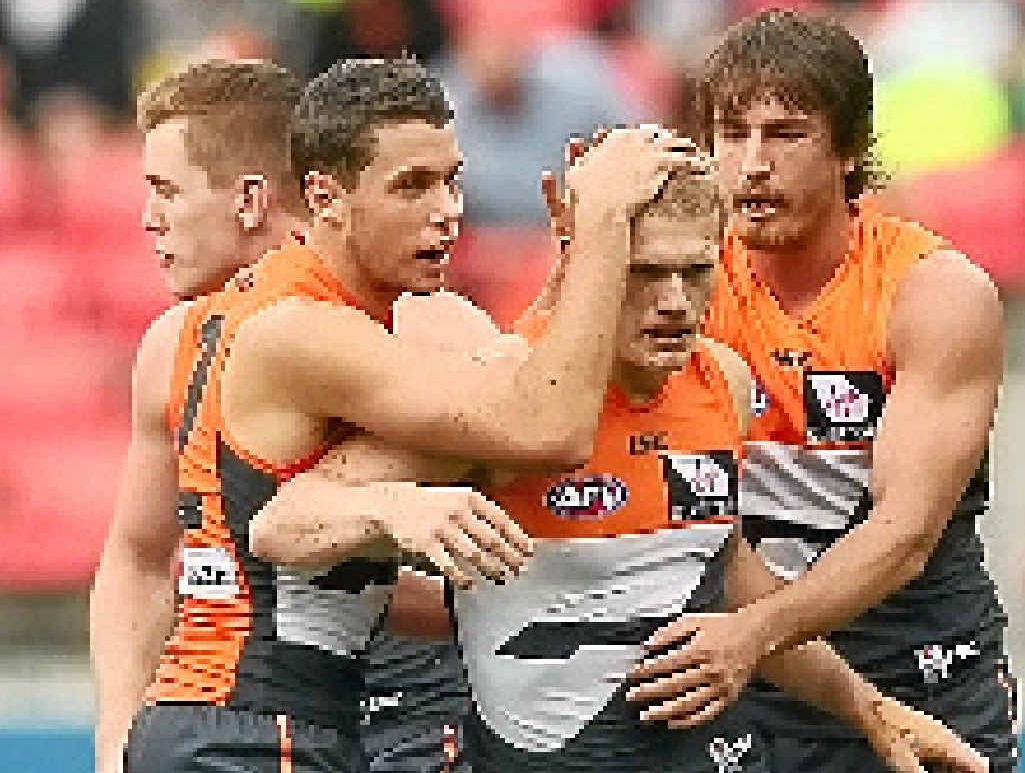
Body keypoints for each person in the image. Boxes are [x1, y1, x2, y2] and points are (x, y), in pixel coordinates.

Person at [249, 156, 987, 773]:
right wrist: (396, 507)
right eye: (643, 272)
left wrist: (865, 705)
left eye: (695, 271)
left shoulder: (721, 382)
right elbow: (281, 523)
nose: (672, 302)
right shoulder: (508, 391)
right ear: (594, 263)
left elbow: (722, 568)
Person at [111, 54, 694, 773]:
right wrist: (605, 223)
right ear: (323, 198)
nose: (447, 209)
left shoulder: (285, 314)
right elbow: (549, 428)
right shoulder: (305, 328)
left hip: (262, 723)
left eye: (451, 179)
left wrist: (568, 278)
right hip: (253, 728)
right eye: (411, 186)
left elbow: (501, 394)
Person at [645, 8, 1014, 772]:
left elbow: (903, 537)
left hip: (920, 676)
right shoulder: (677, 283)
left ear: (848, 148)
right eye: (730, 134)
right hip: (746, 684)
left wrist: (750, 632)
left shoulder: (932, 293)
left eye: (784, 135)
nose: (751, 164)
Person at [89, 58, 303, 773]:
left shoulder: (409, 326)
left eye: (166, 191)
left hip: (398, 727)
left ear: (248, 200)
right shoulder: (171, 345)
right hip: (216, 727)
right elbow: (137, 555)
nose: (148, 218)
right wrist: (118, 742)